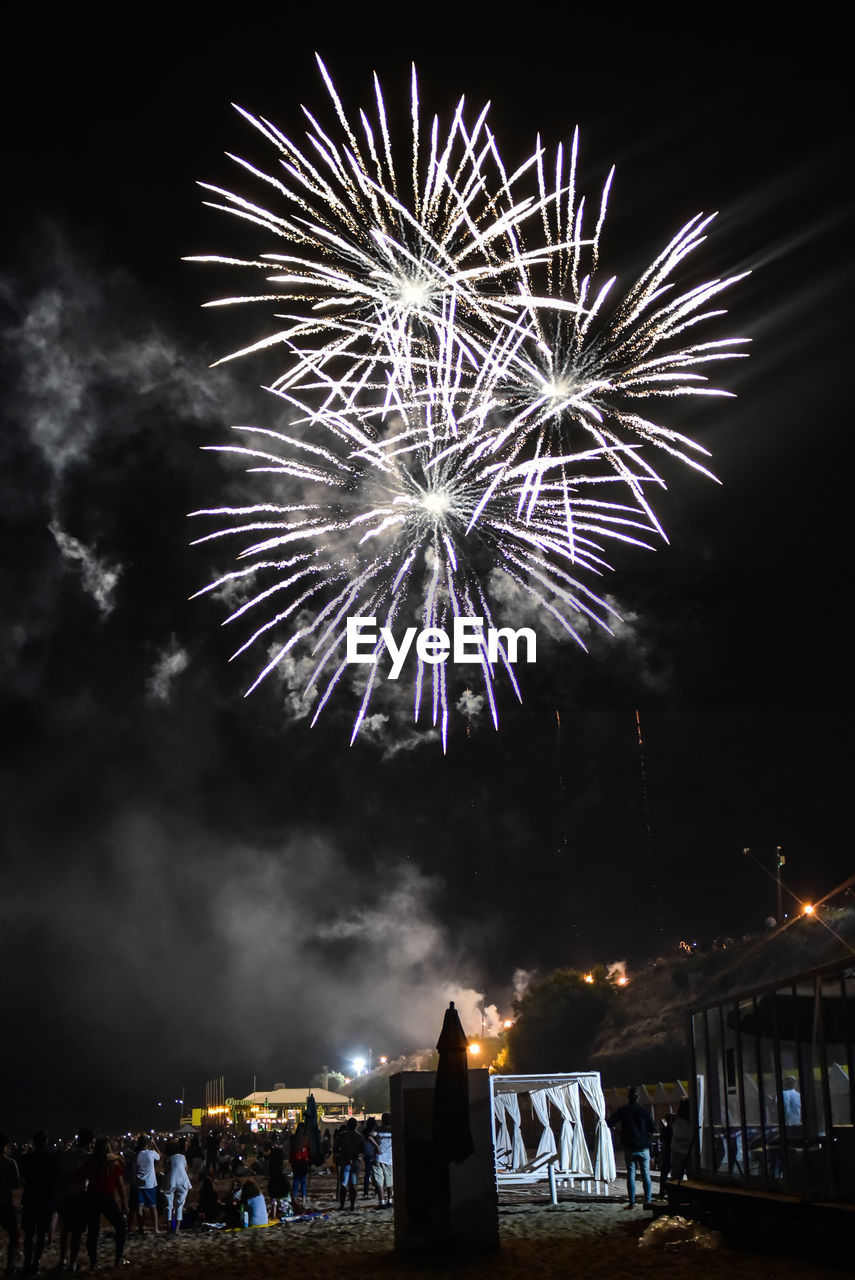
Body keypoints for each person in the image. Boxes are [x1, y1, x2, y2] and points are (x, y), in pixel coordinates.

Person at [84, 1136, 127, 1271]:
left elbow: (83, 1179)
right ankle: (118, 1258)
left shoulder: (91, 1161)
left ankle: (94, 1262)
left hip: (91, 1197)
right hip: (107, 1197)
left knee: (93, 1230)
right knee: (120, 1226)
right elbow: (120, 1185)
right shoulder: (114, 1163)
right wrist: (124, 1203)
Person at [609, 1086, 655, 1209]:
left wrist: (618, 1131)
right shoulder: (644, 1111)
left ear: (628, 1097)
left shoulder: (623, 1110)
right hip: (643, 1146)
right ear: (638, 1097)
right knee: (646, 1174)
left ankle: (632, 1202)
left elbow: (609, 1122)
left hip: (629, 1147)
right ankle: (648, 1200)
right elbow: (652, 1129)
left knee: (631, 1174)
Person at [55, 1128, 94, 1272]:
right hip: (78, 1195)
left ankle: (62, 1259)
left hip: (63, 1195)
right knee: (77, 1231)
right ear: (89, 1141)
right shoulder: (87, 1156)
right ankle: (73, 1262)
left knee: (65, 1229)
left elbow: (58, 1172)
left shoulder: (66, 1153)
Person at [20, 1130, 55, 1275]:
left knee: (29, 1234)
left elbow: (24, 1178)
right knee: (41, 1234)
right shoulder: (50, 1158)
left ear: (34, 1142)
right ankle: (36, 1263)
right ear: (46, 1142)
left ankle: (27, 1262)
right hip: (44, 1198)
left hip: (30, 1198)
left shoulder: (27, 1158)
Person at [0, 1132, 21, 1279]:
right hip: (4, 1203)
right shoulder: (9, 1162)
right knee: (14, 1234)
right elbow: (15, 1185)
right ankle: (10, 1266)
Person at [132, 1134, 161, 1235]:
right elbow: (159, 1156)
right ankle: (156, 1228)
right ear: (148, 1143)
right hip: (150, 1184)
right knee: (153, 1207)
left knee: (139, 1207)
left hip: (139, 1183)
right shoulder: (151, 1153)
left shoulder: (137, 1154)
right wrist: (154, 1144)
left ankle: (140, 1228)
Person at [162, 1140, 192, 1232]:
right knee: (179, 1206)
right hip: (183, 1182)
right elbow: (186, 1169)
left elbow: (166, 1171)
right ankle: (177, 1229)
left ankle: (169, 1228)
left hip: (171, 1181)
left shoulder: (168, 1159)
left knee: (169, 1206)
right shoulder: (183, 1157)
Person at [335, 1118, 365, 1211]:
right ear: (356, 1125)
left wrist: (343, 1155)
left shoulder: (342, 1135)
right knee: (353, 1184)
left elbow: (336, 1148)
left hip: (345, 1161)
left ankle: (342, 1205)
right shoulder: (360, 1136)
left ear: (348, 1125)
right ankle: (352, 1205)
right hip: (355, 1162)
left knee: (343, 1185)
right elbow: (362, 1150)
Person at [668, 1098, 694, 1183]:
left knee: (676, 1177)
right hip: (691, 1152)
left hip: (676, 1151)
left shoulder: (675, 1119)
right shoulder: (693, 1121)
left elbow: (668, 1128)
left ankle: (676, 1194)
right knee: (692, 1177)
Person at [371, 1113, 393, 1208]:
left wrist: (376, 1146)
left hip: (378, 1157)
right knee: (389, 1181)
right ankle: (390, 1200)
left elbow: (368, 1136)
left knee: (379, 1181)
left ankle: (382, 1202)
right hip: (390, 1158)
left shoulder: (377, 1129)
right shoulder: (393, 1129)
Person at [266, 1137, 290, 1221]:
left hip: (280, 1214)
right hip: (288, 1212)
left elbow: (274, 1203)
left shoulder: (273, 1183)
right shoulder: (284, 1181)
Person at [289, 1123, 311, 1208]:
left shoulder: (293, 1138)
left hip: (295, 1160)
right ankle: (303, 1197)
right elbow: (309, 1149)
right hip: (304, 1160)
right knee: (303, 1179)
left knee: (296, 1179)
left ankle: (294, 1196)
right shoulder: (306, 1139)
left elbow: (291, 1148)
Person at [361, 1118, 379, 1198]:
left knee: (367, 1174)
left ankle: (366, 1192)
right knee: (376, 1174)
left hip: (367, 1154)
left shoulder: (364, 1132)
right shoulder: (375, 1132)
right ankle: (377, 1191)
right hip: (374, 1154)